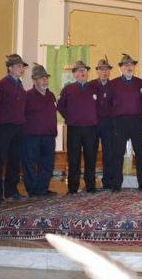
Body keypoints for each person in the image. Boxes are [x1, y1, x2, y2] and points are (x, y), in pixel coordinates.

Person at [57, 60, 98, 194]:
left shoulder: (94, 88)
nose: (83, 73)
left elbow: (100, 107)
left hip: (91, 129)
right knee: (73, 158)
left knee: (90, 158)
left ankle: (90, 186)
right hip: (74, 129)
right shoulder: (68, 89)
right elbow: (60, 106)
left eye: (85, 70)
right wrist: (69, 118)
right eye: (80, 70)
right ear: (74, 74)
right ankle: (73, 187)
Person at [111, 54, 142, 192]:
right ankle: (116, 184)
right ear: (120, 68)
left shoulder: (140, 83)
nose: (129, 67)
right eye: (126, 65)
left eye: (131, 64)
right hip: (119, 122)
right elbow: (108, 104)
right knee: (118, 153)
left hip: (136, 121)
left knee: (139, 153)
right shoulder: (113, 84)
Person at [0, 54, 28, 201]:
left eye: (22, 66)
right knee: (0, 160)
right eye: (19, 66)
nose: (22, 69)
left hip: (18, 127)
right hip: (4, 127)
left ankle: (11, 191)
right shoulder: (1, 85)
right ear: (10, 68)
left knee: (15, 160)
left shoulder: (20, 85)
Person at [22, 63, 57, 197]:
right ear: (34, 80)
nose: (45, 80)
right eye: (41, 78)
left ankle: (42, 189)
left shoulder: (51, 95)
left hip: (48, 136)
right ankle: (32, 190)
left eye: (46, 78)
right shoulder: (27, 96)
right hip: (31, 137)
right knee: (30, 164)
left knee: (47, 164)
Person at [89, 57, 115, 191]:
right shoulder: (91, 85)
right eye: (101, 69)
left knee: (108, 153)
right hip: (94, 123)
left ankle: (108, 181)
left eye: (107, 70)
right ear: (97, 71)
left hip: (109, 123)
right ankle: (90, 183)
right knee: (91, 153)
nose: (104, 72)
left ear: (109, 72)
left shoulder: (114, 85)